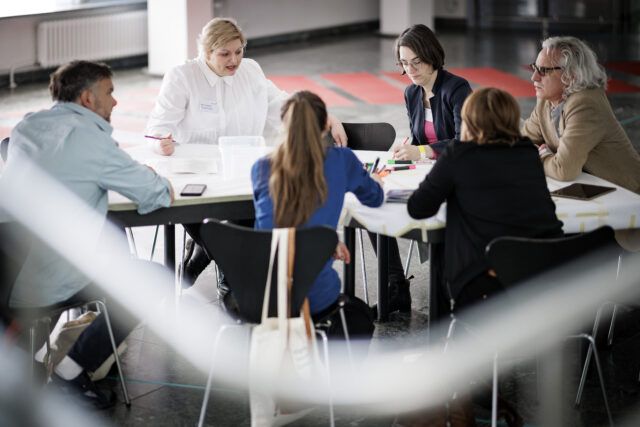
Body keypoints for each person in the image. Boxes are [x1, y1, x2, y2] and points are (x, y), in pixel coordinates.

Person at [4, 60, 173, 409]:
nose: (115, 102)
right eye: (109, 93)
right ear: (86, 99)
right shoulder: (91, 141)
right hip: (52, 276)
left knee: (108, 231)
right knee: (153, 278)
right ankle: (70, 368)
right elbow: (153, 193)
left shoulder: (27, 126)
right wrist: (159, 179)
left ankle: (35, 353)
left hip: (11, 272)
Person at [145, 17, 348, 288]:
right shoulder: (183, 76)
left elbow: (284, 105)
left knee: (257, 221)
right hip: (197, 180)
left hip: (244, 175)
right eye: (225, 54)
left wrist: (324, 116)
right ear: (205, 53)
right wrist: (161, 142)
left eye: (239, 51)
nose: (234, 60)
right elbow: (157, 129)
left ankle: (217, 264)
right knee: (230, 236)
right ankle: (232, 276)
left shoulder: (250, 70)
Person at [407, 87, 563, 311]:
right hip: (539, 274)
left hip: (484, 279)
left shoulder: (458, 154)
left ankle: (445, 334)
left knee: (444, 252)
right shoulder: (527, 152)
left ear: (469, 121)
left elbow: (418, 208)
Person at [251, 90, 384, 338]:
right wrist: (373, 180)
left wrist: (327, 242)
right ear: (326, 125)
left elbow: (273, 228)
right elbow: (374, 198)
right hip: (315, 295)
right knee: (361, 317)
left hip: (261, 294)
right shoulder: (341, 160)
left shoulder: (261, 168)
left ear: (284, 124)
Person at [371, 24, 473, 314]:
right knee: (376, 200)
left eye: (416, 61)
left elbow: (464, 141)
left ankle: (446, 290)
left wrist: (422, 151)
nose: (411, 69)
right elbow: (417, 140)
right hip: (425, 172)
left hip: (455, 177)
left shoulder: (456, 88)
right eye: (404, 63)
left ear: (432, 56)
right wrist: (407, 151)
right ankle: (395, 286)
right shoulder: (411, 93)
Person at [522, 36, 640, 194]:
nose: (534, 77)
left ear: (571, 75)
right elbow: (521, 143)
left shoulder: (585, 104)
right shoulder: (546, 100)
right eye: (535, 68)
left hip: (626, 197)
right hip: (592, 190)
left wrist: (540, 155)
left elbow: (563, 169)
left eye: (544, 70)